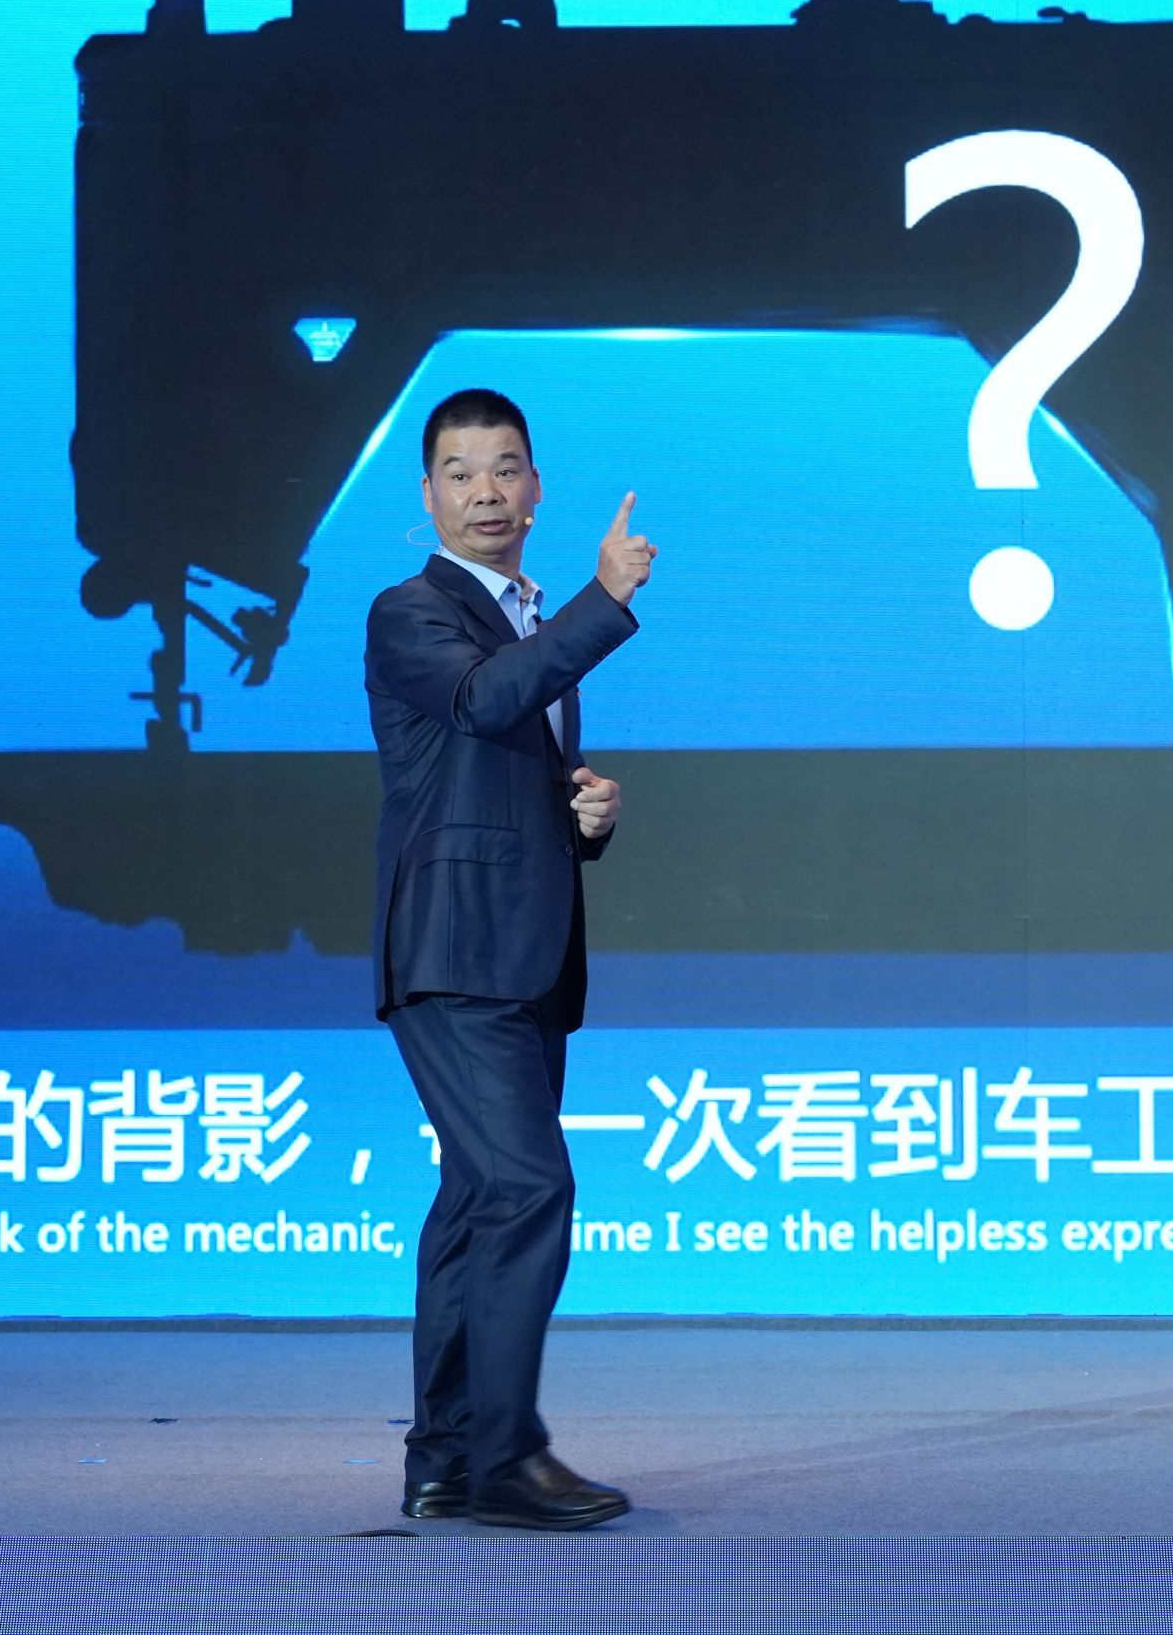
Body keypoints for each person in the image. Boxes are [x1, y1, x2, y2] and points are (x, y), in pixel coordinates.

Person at [364, 387, 656, 1530]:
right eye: (460, 472)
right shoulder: (411, 610)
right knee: (531, 1188)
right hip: (454, 956)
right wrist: (606, 597)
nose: (485, 491)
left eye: (505, 469)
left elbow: (503, 765)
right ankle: (504, 1456)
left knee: (479, 1199)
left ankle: (442, 1460)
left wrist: (587, 812)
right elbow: (485, 704)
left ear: (536, 488)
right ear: (427, 496)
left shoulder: (530, 619)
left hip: (522, 954)